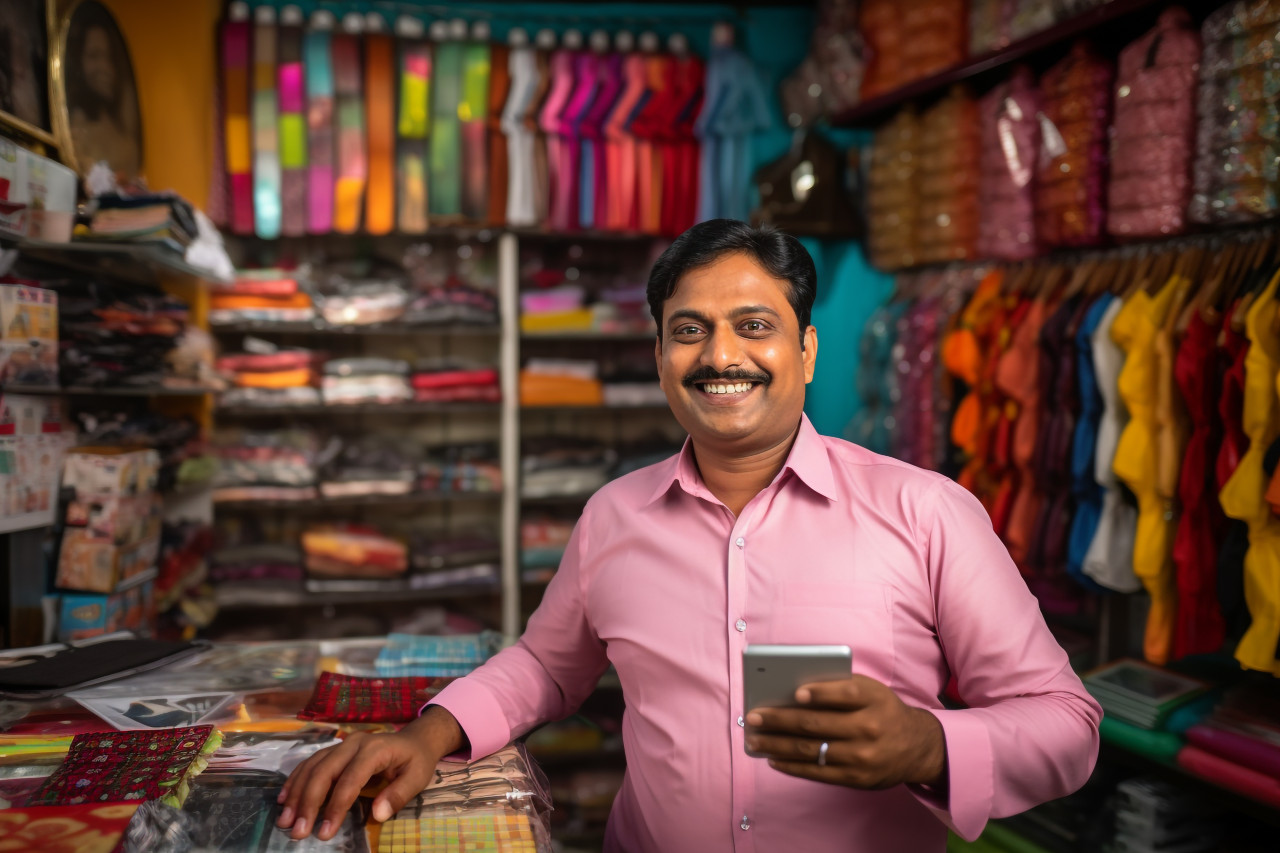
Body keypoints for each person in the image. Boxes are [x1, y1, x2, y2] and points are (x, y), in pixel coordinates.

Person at [279, 220, 1102, 851]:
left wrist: (928, 744)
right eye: (689, 329)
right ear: (662, 357)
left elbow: (1067, 723)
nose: (721, 354)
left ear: (807, 349)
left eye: (755, 325)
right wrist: (429, 734)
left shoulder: (926, 512)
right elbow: (544, 665)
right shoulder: (614, 515)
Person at [65, 5, 140, 178]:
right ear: (78, 61)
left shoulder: (122, 135)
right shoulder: (73, 130)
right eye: (94, 55)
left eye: (109, 58)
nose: (105, 68)